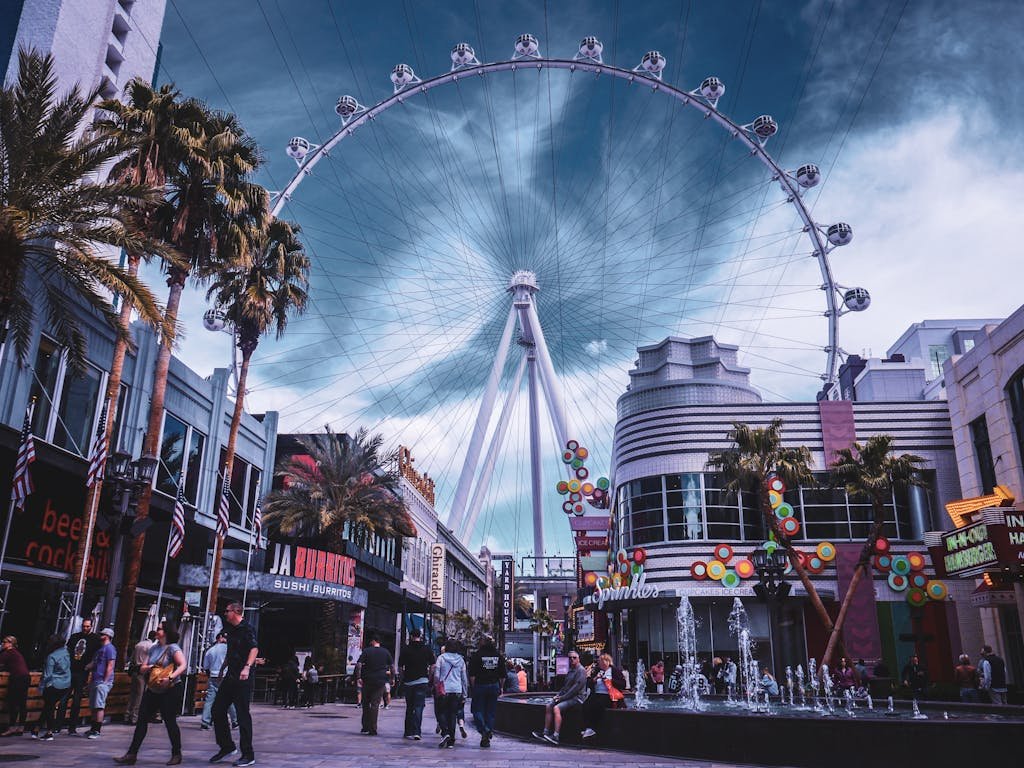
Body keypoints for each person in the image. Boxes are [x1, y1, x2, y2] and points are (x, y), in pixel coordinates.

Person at [114, 620, 188, 766]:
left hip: (170, 689)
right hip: (153, 688)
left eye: (159, 629)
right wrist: (148, 668)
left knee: (170, 721)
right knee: (142, 720)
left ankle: (176, 754)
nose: (157, 630)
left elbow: (183, 665)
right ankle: (132, 754)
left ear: (166, 632)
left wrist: (170, 677)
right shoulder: (154, 648)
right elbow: (143, 667)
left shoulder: (173, 648)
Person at [210, 602, 259, 767]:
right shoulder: (230, 630)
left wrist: (247, 667)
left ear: (236, 612)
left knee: (242, 714)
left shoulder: (247, 628)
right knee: (217, 709)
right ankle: (227, 746)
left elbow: (254, 649)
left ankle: (248, 754)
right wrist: (223, 668)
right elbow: (231, 653)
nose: (225, 614)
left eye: (227, 611)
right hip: (230, 675)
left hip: (243, 677)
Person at [532, 650, 586, 746]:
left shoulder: (581, 670)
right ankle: (546, 732)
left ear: (578, 659)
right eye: (570, 658)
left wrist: (562, 698)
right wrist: (558, 695)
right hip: (568, 697)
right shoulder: (570, 670)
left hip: (577, 698)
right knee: (549, 705)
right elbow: (565, 687)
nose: (572, 660)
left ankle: (556, 736)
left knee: (557, 708)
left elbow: (575, 689)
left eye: (574, 658)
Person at [31, 634, 71, 741]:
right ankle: (36, 728)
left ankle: (49, 732)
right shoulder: (66, 653)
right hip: (65, 684)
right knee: (49, 706)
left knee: (49, 708)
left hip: (53, 684)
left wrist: (41, 687)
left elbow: (47, 675)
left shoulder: (51, 656)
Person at [397, 627, 435, 740]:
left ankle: (408, 731)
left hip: (409, 682)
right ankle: (417, 731)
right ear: (420, 636)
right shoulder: (426, 649)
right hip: (422, 681)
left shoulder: (406, 649)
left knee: (409, 707)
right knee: (418, 707)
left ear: (411, 636)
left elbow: (400, 666)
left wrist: (402, 677)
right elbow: (433, 665)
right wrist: (430, 676)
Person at [65, 617, 101, 734]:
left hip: (82, 672)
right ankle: (58, 725)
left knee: (77, 699)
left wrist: (90, 666)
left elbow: (97, 655)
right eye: (84, 626)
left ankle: (72, 726)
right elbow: (68, 650)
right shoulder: (75, 636)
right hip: (71, 670)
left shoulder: (95, 639)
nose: (85, 628)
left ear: (91, 626)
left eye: (88, 626)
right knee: (64, 698)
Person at [468, 635, 505, 748]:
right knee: (490, 712)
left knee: (476, 710)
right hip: (494, 685)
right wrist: (501, 687)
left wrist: (474, 687)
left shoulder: (477, 655)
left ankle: (484, 730)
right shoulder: (498, 656)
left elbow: (472, 675)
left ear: (483, 642)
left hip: (480, 685)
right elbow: (503, 675)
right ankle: (487, 731)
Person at [581, 653, 627, 740]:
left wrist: (609, 680)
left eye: (601, 662)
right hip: (596, 693)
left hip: (609, 695)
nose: (600, 664)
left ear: (607, 662)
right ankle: (588, 728)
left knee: (598, 705)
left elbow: (622, 684)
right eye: (599, 662)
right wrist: (595, 679)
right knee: (586, 705)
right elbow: (589, 684)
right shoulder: (597, 671)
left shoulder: (615, 671)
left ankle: (593, 728)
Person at [356, 632, 394, 737]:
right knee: (375, 705)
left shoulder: (367, 651)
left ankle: (365, 726)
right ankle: (373, 728)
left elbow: (359, 665)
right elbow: (392, 667)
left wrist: (358, 677)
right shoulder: (385, 652)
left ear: (373, 641)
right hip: (380, 681)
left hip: (367, 680)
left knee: (365, 703)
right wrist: (392, 678)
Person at [434, 639, 469, 749]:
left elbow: (436, 675)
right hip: (457, 690)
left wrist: (437, 685)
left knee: (440, 712)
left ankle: (445, 732)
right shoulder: (461, 660)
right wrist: (465, 693)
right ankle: (451, 742)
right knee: (452, 715)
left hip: (444, 689)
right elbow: (464, 678)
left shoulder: (441, 658)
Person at [84, 627, 116, 739]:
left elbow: (110, 665)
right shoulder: (100, 649)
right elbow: (94, 663)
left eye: (102, 634)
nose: (100, 635)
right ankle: (93, 728)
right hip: (95, 679)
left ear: (107, 636)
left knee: (99, 705)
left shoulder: (110, 649)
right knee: (94, 705)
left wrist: (105, 681)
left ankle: (97, 730)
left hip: (101, 681)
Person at [202, 632, 237, 730]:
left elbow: (206, 666)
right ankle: (235, 721)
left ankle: (205, 722)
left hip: (213, 676)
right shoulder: (230, 649)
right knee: (229, 699)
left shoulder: (210, 651)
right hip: (226, 676)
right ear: (221, 638)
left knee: (209, 700)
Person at [0, 635, 30, 736]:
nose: (2, 644)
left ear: (10, 644)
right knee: (22, 703)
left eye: (4, 642)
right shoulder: (17, 653)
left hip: (17, 678)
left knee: (13, 703)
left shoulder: (8, 653)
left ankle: (11, 728)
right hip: (25, 677)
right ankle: (20, 727)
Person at [126, 632, 156, 726]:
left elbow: (131, 659)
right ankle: (135, 717)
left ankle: (127, 715)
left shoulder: (138, 644)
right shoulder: (151, 647)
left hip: (135, 670)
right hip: (143, 672)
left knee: (133, 694)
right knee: (139, 695)